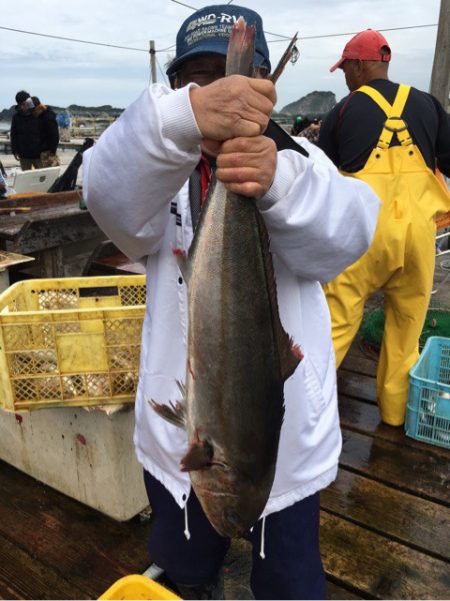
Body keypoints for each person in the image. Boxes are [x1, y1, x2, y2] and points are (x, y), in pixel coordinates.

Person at [83, 5, 380, 599]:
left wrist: (279, 182)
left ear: (265, 81)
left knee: (290, 583)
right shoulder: (155, 174)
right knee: (184, 575)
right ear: (173, 90)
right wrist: (181, 121)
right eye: (196, 79)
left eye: (232, 73)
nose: (219, 90)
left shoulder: (302, 161)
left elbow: (351, 231)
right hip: (179, 453)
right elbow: (103, 190)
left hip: (283, 455)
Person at [318, 29, 450, 427]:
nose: (344, 77)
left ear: (359, 64)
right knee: (406, 326)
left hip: (364, 235)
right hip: (420, 238)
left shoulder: (341, 112)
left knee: (335, 324)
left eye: (345, 69)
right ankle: (395, 416)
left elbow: (320, 180)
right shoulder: (429, 105)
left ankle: (305, 413)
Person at [10, 90, 43, 170]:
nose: (22, 107)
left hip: (38, 154)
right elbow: (13, 134)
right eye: (19, 104)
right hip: (24, 155)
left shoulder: (38, 114)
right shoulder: (16, 117)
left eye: (24, 104)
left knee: (42, 177)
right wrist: (14, 150)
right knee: (26, 178)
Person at [31, 96, 60, 167]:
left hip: (48, 153)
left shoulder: (48, 117)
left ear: (37, 108)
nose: (32, 113)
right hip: (41, 152)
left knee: (50, 176)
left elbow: (55, 136)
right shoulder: (39, 117)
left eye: (33, 111)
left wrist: (52, 154)